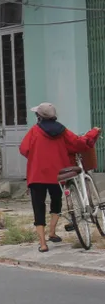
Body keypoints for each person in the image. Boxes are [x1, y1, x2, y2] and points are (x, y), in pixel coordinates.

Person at [19, 102, 100, 252]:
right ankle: (52, 232)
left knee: (38, 206)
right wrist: (92, 133)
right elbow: (78, 144)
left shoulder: (34, 131)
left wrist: (37, 155)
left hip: (37, 174)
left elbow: (24, 149)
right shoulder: (63, 131)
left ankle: (43, 244)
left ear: (39, 117)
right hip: (58, 175)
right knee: (56, 202)